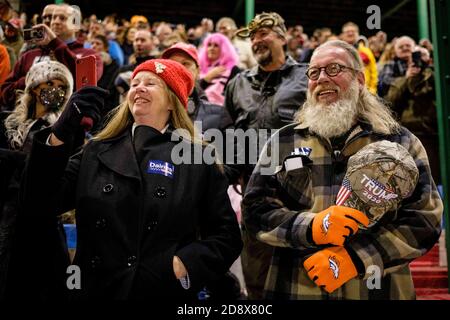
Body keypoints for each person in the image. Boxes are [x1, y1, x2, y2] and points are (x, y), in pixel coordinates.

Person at [20, 59, 243, 299]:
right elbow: (37, 202)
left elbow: (226, 236)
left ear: (172, 101)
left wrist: (182, 264)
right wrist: (59, 135)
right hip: (95, 290)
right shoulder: (96, 150)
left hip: (158, 290)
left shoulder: (198, 158)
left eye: (152, 83)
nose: (139, 87)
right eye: (135, 83)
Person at [242, 40, 443, 299]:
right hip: (297, 289)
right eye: (314, 72)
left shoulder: (400, 141)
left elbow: (425, 219)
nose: (322, 78)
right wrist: (313, 226)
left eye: (334, 69)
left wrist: (356, 258)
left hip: (379, 291)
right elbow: (255, 209)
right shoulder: (282, 141)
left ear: (360, 80)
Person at [225, 11, 308, 299]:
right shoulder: (237, 84)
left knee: (302, 267)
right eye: (253, 36)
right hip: (253, 189)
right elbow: (233, 135)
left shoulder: (308, 77)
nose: (257, 40)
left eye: (264, 33)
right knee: (256, 269)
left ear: (283, 38)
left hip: (301, 188)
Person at [0, 60, 74, 299]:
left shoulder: (63, 133)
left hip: (38, 219)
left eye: (62, 86)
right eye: (50, 83)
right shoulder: (6, 122)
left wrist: (13, 160)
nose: (56, 90)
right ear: (34, 86)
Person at [0, 3, 103, 110]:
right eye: (54, 17)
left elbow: (86, 86)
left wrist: (56, 44)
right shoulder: (29, 55)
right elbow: (5, 93)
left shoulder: (90, 55)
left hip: (68, 122)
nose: (55, 21)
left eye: (62, 18)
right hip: (27, 121)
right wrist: (30, 79)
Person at [385, 46, 440, 184]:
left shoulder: (435, 76)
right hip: (406, 136)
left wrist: (428, 70)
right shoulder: (400, 80)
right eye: (415, 55)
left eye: (422, 55)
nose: (418, 58)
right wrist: (406, 78)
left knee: (434, 177)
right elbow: (390, 102)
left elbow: (433, 90)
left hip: (430, 133)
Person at [198, 32, 240, 105]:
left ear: (224, 49)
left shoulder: (233, 69)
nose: (211, 48)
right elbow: (193, 93)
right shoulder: (199, 69)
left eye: (216, 45)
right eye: (209, 45)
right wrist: (206, 79)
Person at [341, 22, 378, 94]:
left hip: (365, 91)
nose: (350, 33)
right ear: (342, 35)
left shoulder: (366, 51)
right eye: (347, 32)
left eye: (353, 31)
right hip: (344, 92)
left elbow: (373, 71)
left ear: (358, 34)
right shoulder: (338, 51)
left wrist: (372, 90)